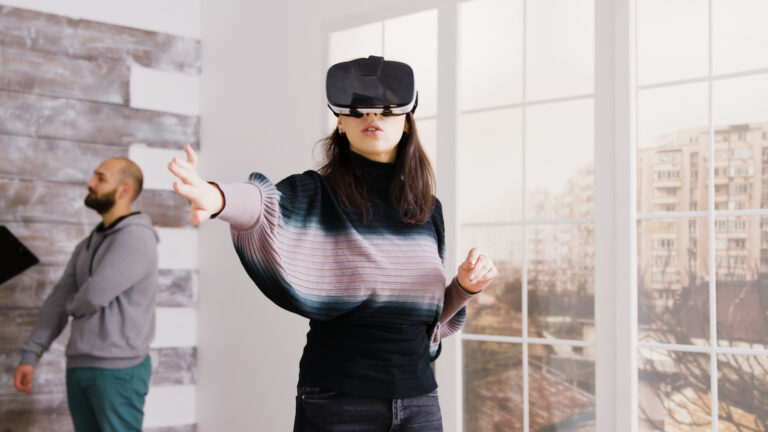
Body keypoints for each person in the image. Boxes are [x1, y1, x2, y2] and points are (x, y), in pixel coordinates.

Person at [168, 56, 497, 431]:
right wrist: (218, 198)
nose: (372, 117)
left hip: (419, 401)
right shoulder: (317, 191)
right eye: (357, 111)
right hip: (339, 401)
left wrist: (464, 289)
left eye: (387, 110)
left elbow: (424, 319)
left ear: (406, 122)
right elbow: (263, 202)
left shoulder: (427, 209)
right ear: (341, 122)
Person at [14, 158, 159, 432]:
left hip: (118, 371)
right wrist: (30, 356)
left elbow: (94, 295)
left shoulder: (137, 237)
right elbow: (58, 300)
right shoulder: (88, 244)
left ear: (124, 190)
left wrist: (72, 305)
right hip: (80, 365)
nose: (90, 183)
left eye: (100, 178)